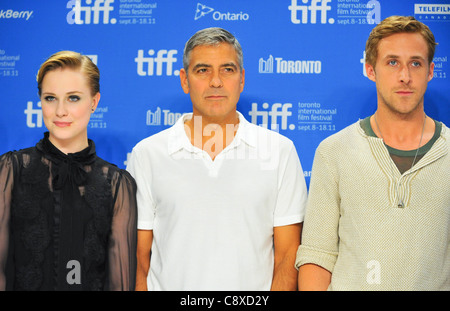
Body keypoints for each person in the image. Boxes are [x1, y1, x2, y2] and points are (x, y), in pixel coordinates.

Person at [127, 27, 307, 291]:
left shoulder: (279, 152)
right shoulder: (147, 154)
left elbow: (288, 256)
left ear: (242, 79)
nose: (215, 81)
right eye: (202, 70)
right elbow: (137, 260)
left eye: (227, 69)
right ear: (184, 80)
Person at [295, 16, 450, 290]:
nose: (405, 76)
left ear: (430, 71)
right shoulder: (334, 152)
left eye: (415, 63)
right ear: (370, 69)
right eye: (392, 62)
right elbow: (317, 256)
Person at [0, 51, 137, 291]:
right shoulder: (11, 171)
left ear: (94, 102)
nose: (60, 111)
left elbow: (121, 283)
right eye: (50, 98)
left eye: (73, 98)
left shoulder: (116, 183)